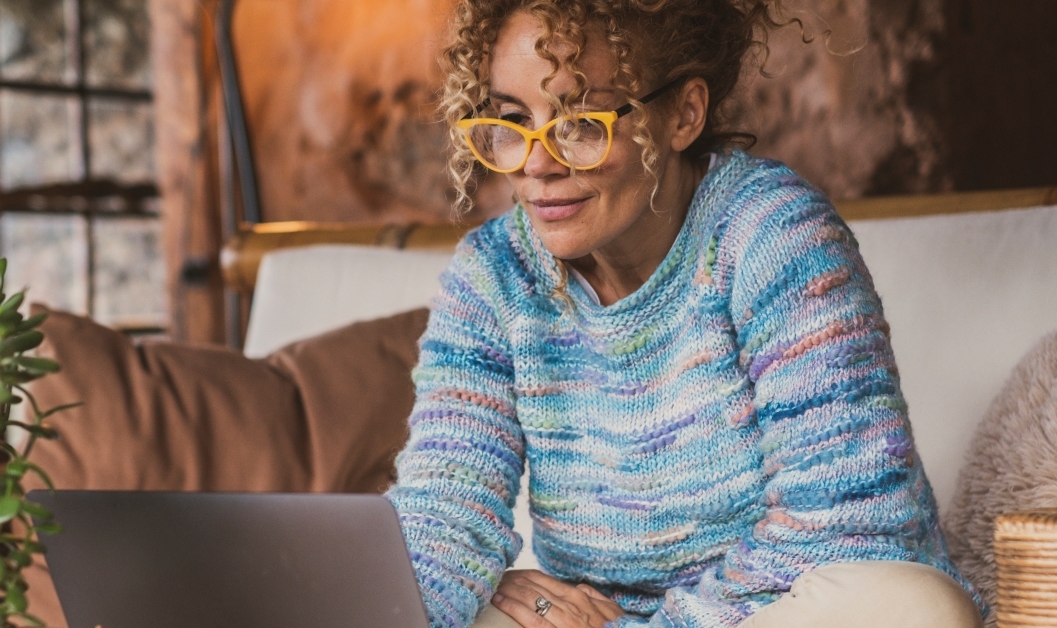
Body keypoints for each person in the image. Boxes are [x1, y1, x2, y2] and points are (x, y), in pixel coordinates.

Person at [385, 1, 985, 627]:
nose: (538, 163)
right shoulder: (493, 277)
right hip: (591, 620)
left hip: (775, 610)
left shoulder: (772, 235)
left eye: (581, 121)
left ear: (683, 114)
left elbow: (848, 521)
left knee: (915, 610)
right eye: (513, 120)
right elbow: (444, 512)